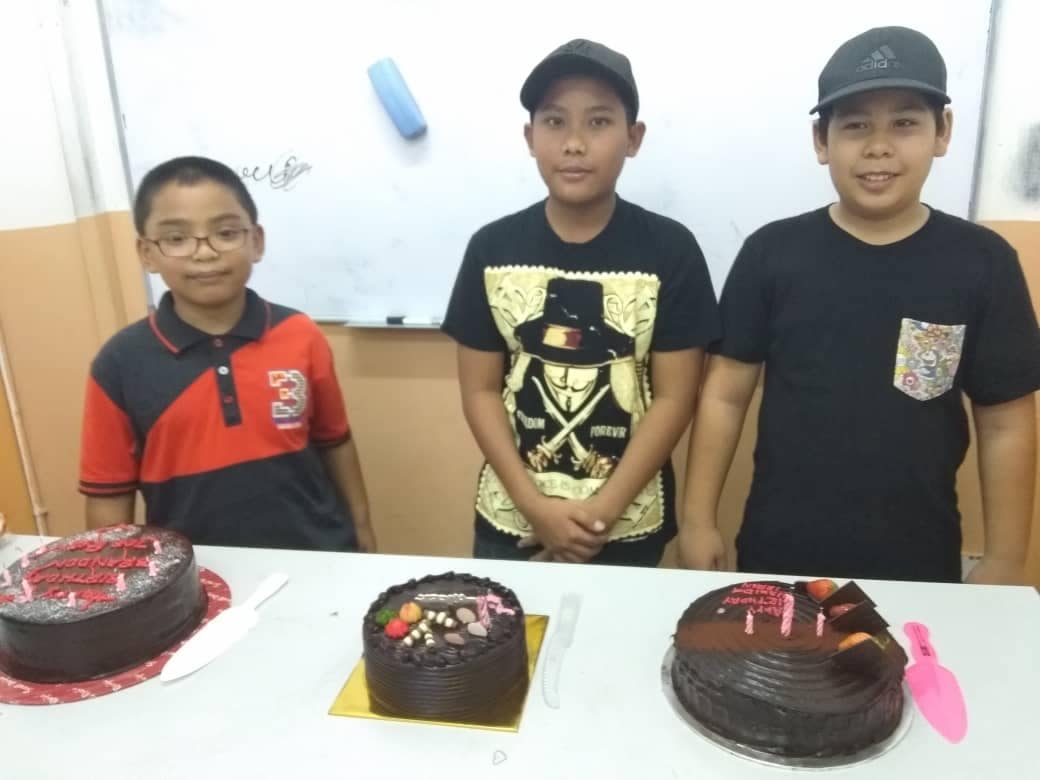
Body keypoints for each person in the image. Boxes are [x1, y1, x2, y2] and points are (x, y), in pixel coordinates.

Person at [680, 27, 1040, 583]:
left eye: (904, 123)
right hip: (781, 554)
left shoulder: (983, 262)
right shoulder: (771, 253)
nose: (879, 147)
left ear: (943, 131)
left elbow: (1006, 423)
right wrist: (698, 520)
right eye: (855, 126)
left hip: (920, 560)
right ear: (821, 140)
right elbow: (725, 396)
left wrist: (1006, 559)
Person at [442, 39, 720, 565]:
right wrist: (536, 508)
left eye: (598, 122)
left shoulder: (670, 250)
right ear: (530, 137)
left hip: (626, 525)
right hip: (514, 523)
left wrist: (598, 516)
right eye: (554, 122)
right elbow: (479, 391)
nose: (574, 143)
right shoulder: (491, 249)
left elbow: (675, 398)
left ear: (633, 137)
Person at [79, 156, 375, 552]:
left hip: (320, 554)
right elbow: (108, 497)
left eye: (226, 233)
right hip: (194, 573)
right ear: (146, 253)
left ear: (256, 241)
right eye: (176, 238)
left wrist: (362, 531)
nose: (205, 253)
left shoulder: (300, 333)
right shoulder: (119, 363)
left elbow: (335, 442)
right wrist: (113, 576)